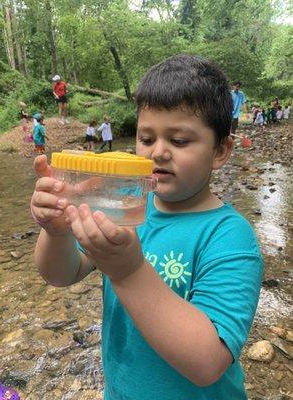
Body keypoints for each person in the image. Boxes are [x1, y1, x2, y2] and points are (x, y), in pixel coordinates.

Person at [30, 54, 263, 400]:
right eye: (147, 138)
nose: (159, 152)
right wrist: (57, 230)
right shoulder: (124, 205)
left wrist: (128, 272)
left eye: (180, 141)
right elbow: (62, 274)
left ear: (221, 150)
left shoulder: (230, 237)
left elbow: (207, 362)